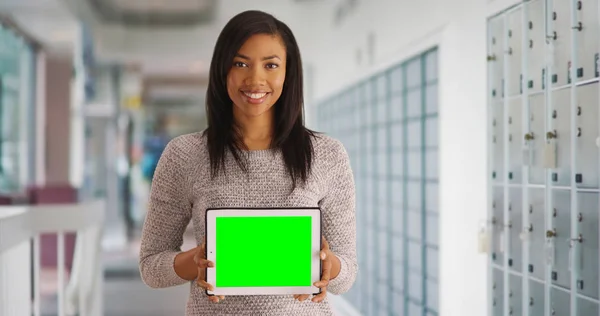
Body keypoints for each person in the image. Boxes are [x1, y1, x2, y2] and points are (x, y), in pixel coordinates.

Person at [138, 9, 357, 315]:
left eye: (271, 65)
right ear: (222, 70)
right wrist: (196, 262)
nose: (256, 79)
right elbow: (151, 265)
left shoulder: (327, 155)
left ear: (288, 73)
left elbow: (345, 276)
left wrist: (327, 266)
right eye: (241, 63)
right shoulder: (185, 154)